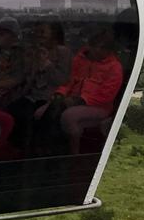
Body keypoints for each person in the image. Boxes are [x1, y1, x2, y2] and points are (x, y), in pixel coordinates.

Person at [34, 25, 123, 155]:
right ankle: (50, 149)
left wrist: (80, 100)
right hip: (69, 99)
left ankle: (53, 150)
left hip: (97, 106)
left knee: (66, 114)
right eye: (95, 46)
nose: (97, 51)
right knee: (40, 112)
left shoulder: (114, 67)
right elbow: (68, 81)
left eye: (103, 48)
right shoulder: (79, 59)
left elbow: (106, 96)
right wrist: (60, 93)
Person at [7, 19, 71, 150]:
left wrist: (47, 64)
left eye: (43, 32)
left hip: (49, 97)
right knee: (12, 112)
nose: (39, 35)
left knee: (30, 120)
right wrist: (30, 61)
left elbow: (62, 80)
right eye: (37, 32)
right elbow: (28, 77)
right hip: (31, 95)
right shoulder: (35, 50)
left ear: (54, 34)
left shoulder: (62, 52)